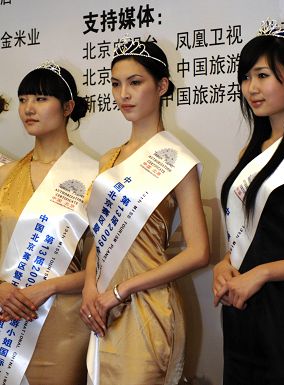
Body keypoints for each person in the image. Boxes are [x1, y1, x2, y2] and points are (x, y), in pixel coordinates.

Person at [80, 37, 210, 385]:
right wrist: (91, 290)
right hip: (101, 308)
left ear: (162, 85)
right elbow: (98, 237)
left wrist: (121, 292)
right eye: (116, 84)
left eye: (135, 83)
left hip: (148, 307)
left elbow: (199, 252)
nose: (124, 94)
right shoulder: (109, 159)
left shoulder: (176, 160)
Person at [213, 18, 284, 385]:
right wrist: (224, 264)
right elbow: (250, 233)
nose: (252, 87)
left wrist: (263, 272)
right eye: (246, 77)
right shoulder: (249, 153)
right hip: (243, 310)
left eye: (263, 75)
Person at [0, 61, 98, 385]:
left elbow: (105, 267)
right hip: (5, 314)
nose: (29, 108)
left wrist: (49, 286)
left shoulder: (95, 177)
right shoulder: (4, 175)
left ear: (68, 107)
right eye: (24, 98)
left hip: (65, 322)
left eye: (41, 99)